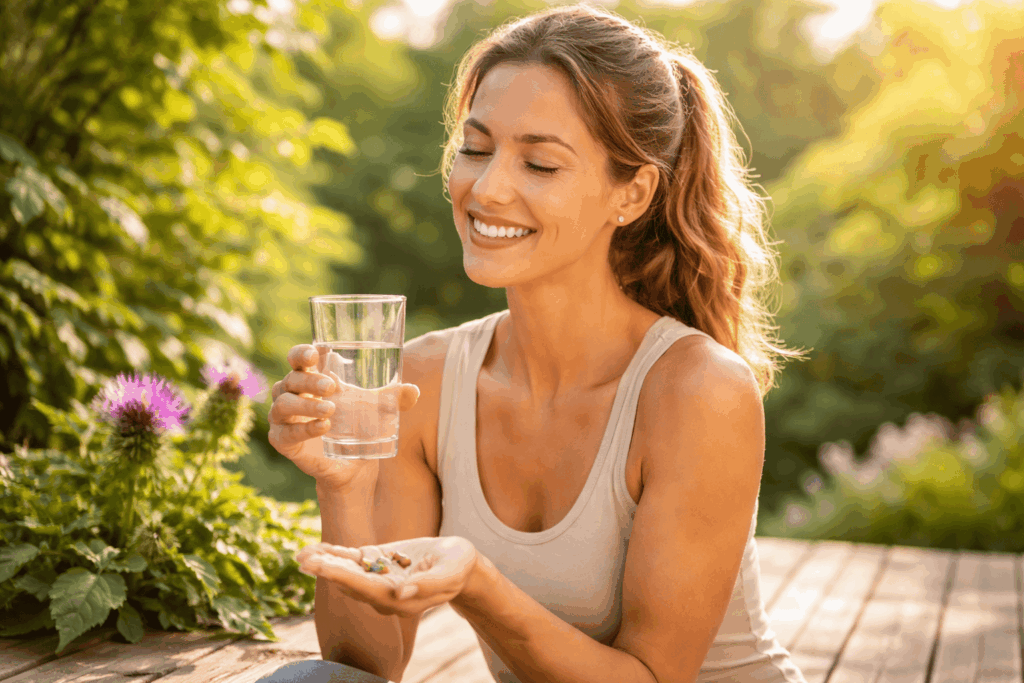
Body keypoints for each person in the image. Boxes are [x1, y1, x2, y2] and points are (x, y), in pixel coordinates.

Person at [259, 4, 808, 682]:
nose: (487, 189)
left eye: (540, 164)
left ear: (632, 193)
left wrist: (479, 585)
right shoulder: (424, 380)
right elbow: (364, 664)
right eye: (476, 149)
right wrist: (345, 484)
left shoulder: (698, 390)